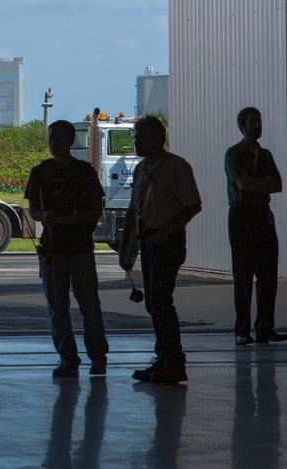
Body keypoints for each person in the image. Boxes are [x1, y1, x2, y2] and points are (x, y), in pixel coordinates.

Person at [118, 115, 201, 384]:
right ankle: (164, 358)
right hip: (148, 241)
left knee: (161, 301)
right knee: (154, 303)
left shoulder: (177, 167)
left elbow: (192, 205)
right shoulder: (142, 169)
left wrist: (166, 232)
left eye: (139, 136)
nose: (135, 141)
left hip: (168, 242)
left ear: (157, 138)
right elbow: (134, 209)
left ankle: (174, 361)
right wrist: (126, 245)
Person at [26, 120, 109, 377]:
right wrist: (46, 216)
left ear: (71, 141)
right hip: (55, 250)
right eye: (51, 139)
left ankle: (93, 357)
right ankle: (71, 358)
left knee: (86, 307)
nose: (54, 144)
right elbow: (33, 211)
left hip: (77, 249)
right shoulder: (41, 172)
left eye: (58, 139)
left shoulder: (84, 172)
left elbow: (96, 209)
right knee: (61, 309)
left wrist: (78, 219)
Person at [223, 107, 287, 345]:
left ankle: (264, 328)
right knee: (243, 274)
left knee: (268, 274)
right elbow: (242, 184)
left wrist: (257, 184)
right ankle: (242, 329)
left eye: (259, 120)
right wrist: (263, 183)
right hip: (241, 215)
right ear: (242, 125)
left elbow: (279, 184)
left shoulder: (266, 155)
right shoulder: (233, 154)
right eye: (252, 121)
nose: (257, 125)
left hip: (262, 214)